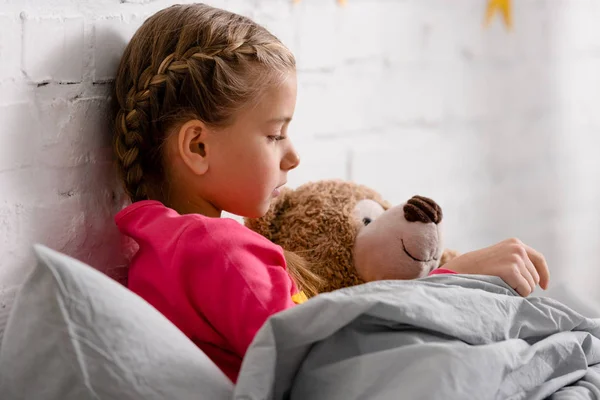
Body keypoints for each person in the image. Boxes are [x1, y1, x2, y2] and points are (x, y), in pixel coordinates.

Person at [110, 3, 549, 383]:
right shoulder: (218, 249)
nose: (293, 156)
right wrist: (458, 276)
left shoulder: (163, 252)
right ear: (198, 146)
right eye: (275, 134)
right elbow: (335, 354)